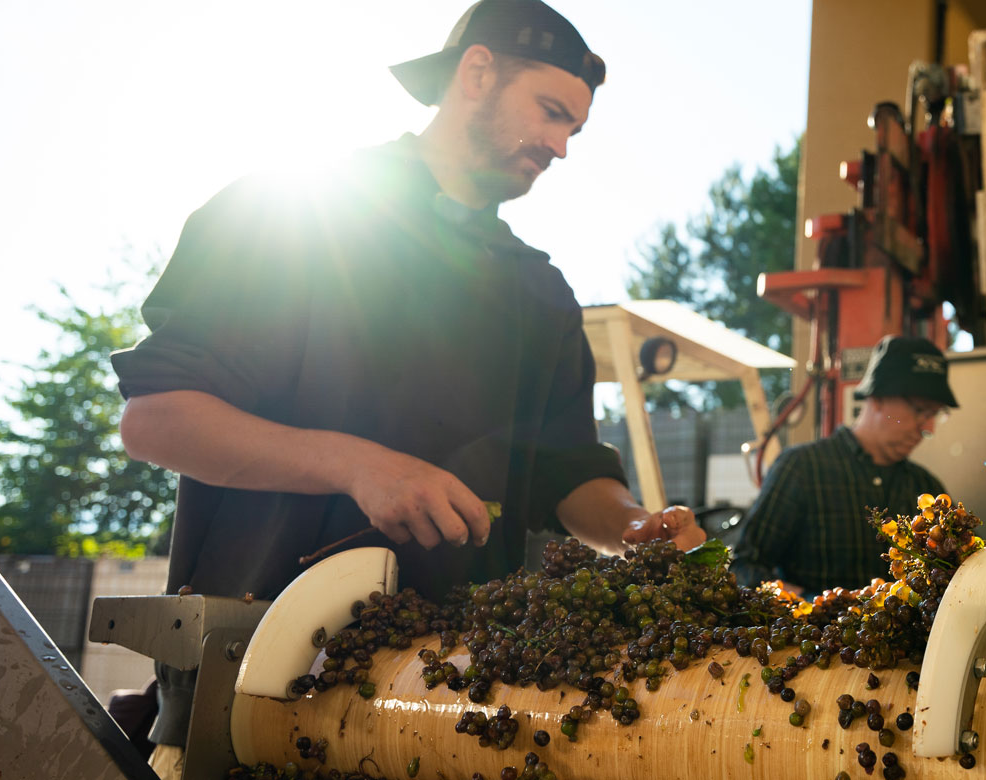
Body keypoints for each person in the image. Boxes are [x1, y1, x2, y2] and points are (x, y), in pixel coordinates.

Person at [110, 1, 701, 773]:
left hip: (456, 710)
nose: (560, 147)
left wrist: (632, 527)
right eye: (551, 113)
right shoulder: (291, 210)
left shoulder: (541, 294)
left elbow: (567, 471)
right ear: (477, 73)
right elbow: (158, 419)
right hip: (247, 695)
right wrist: (361, 466)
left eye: (574, 132)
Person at [732, 336, 958, 596]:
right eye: (921, 411)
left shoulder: (927, 489)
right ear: (879, 396)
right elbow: (745, 566)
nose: (928, 429)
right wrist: (798, 600)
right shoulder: (801, 469)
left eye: (936, 415)